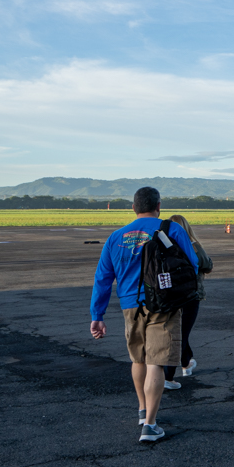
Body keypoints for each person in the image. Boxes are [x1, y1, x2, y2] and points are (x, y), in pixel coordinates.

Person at [89, 187, 198, 443]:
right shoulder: (171, 229)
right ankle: (150, 425)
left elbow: (103, 278)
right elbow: (191, 265)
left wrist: (98, 314)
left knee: (138, 360)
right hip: (164, 305)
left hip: (129, 305)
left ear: (133, 208)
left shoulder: (116, 237)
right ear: (159, 205)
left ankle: (141, 409)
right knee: (156, 362)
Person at [167, 213, 211, 382]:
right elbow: (207, 265)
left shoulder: (165, 247)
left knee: (176, 331)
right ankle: (170, 374)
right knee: (181, 334)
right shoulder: (194, 246)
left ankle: (187, 363)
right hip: (191, 294)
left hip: (169, 295)